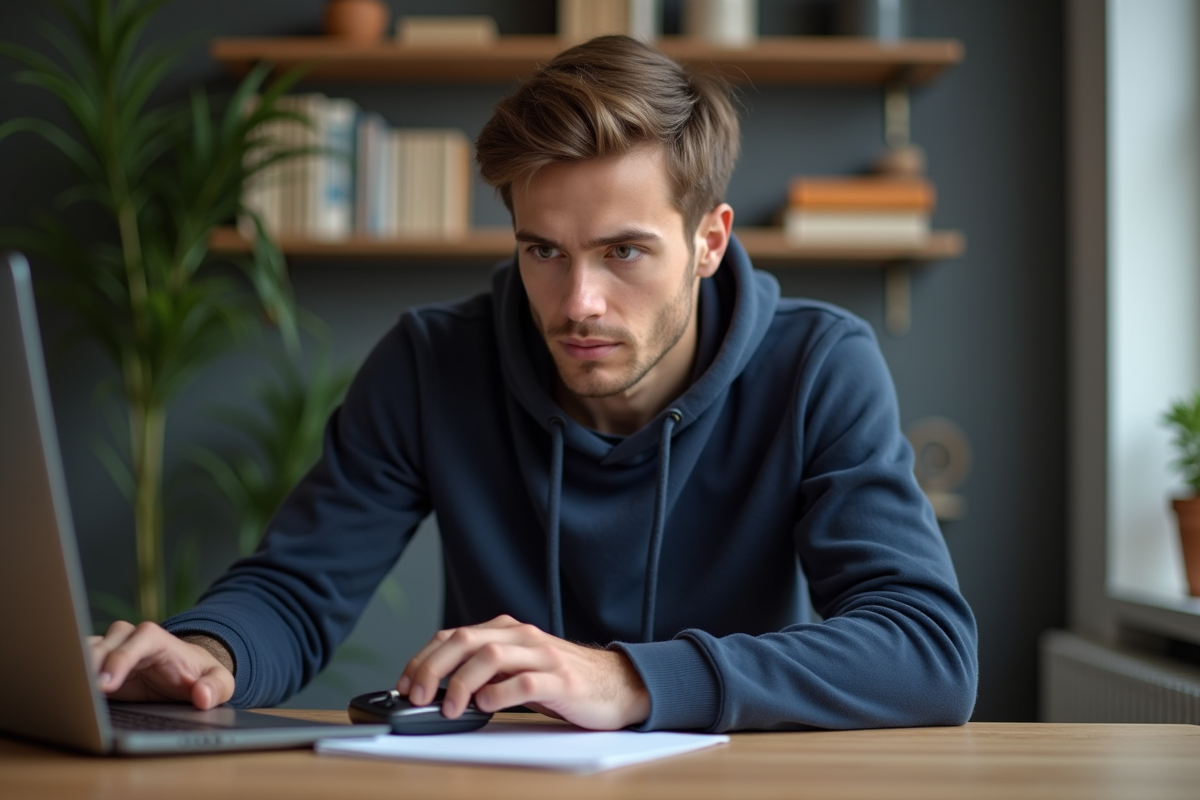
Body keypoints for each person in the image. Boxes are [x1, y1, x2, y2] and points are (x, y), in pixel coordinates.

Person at [89, 35, 978, 733]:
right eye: (543, 252)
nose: (577, 302)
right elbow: (296, 591)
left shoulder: (818, 363)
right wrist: (209, 653)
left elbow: (928, 651)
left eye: (624, 251)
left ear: (709, 241)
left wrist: (629, 678)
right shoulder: (432, 363)